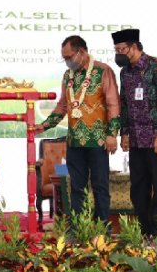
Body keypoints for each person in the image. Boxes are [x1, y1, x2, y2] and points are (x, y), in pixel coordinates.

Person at [34, 36, 120, 222]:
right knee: (76, 188)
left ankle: (102, 229)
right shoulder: (68, 75)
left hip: (98, 141)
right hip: (74, 141)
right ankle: (78, 229)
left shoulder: (102, 71)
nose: (67, 62)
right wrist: (44, 125)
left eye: (69, 57)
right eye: (64, 58)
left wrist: (112, 135)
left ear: (81, 52)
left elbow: (113, 104)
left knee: (100, 186)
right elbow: (62, 107)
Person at [112, 29, 157, 237]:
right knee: (138, 187)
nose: (119, 53)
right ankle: (144, 229)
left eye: (122, 49)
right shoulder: (125, 72)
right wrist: (125, 132)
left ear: (134, 46)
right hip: (137, 139)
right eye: (116, 50)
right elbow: (125, 104)